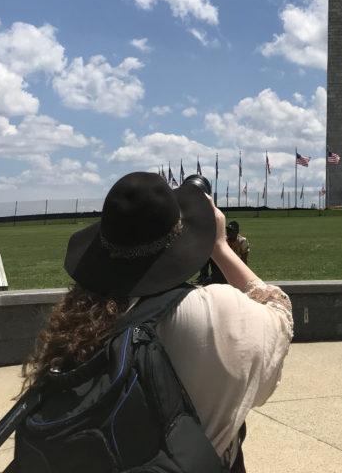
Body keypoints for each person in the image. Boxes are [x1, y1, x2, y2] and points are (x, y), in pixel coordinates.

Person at [20, 172, 293, 471]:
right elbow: (278, 313)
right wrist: (220, 246)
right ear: (182, 240)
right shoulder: (216, 312)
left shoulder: (78, 318)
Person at [198, 219, 251, 284]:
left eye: (231, 230)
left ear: (237, 231)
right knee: (208, 254)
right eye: (228, 230)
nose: (228, 232)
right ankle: (204, 276)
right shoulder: (224, 240)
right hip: (225, 265)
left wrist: (244, 275)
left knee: (215, 281)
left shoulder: (242, 241)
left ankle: (214, 278)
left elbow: (244, 259)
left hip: (236, 266)